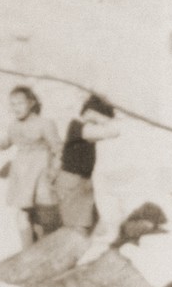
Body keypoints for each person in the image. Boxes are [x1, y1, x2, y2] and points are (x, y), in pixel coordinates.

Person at [0, 84, 61, 248]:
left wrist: (54, 171)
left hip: (41, 172)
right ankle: (27, 250)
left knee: (43, 213)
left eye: (20, 103)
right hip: (22, 173)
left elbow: (58, 149)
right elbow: (7, 141)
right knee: (22, 212)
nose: (16, 108)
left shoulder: (45, 123)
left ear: (31, 103)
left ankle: (46, 247)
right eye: (13, 104)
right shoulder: (13, 125)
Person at [51, 94, 121, 233]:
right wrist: (102, 119)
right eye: (97, 119)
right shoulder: (76, 126)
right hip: (71, 182)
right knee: (76, 228)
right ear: (88, 113)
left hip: (83, 183)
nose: (99, 123)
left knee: (85, 227)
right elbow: (112, 132)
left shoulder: (85, 128)